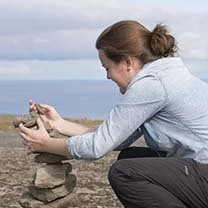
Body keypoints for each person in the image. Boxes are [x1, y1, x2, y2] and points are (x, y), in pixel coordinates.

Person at [19, 20, 208, 208]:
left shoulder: (151, 85)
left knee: (124, 172)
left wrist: (45, 144)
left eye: (107, 68)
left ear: (127, 61)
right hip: (200, 171)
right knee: (130, 157)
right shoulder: (164, 76)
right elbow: (115, 138)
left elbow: (96, 147)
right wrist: (60, 124)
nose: (107, 76)